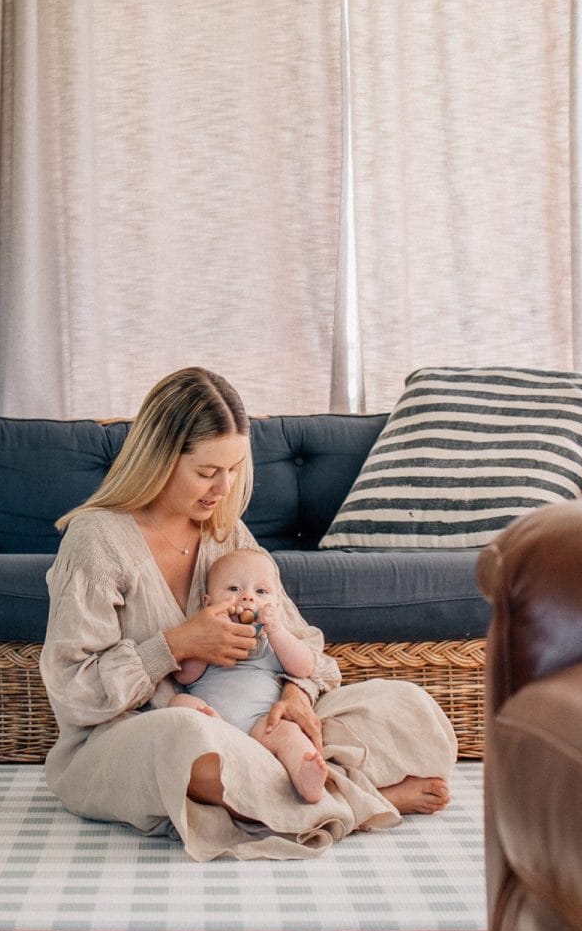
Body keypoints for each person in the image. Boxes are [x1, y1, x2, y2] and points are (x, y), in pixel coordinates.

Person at [41, 367, 457, 861]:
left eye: (235, 468)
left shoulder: (227, 535)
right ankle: (361, 803)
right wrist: (176, 646)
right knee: (192, 743)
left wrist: (296, 694)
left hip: (256, 730)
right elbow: (72, 690)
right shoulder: (96, 541)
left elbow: (309, 650)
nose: (223, 486)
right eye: (206, 471)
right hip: (131, 737)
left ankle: (294, 797)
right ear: (159, 460)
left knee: (407, 706)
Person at [170, 547, 328, 803]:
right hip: (214, 721)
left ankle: (305, 774)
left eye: (261, 592)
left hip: (262, 724)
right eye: (233, 589)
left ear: (276, 605)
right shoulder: (207, 641)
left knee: (289, 734)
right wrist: (206, 635)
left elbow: (304, 668)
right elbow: (184, 676)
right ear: (208, 604)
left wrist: (276, 631)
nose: (247, 598)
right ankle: (210, 737)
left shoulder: (273, 643)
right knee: (179, 703)